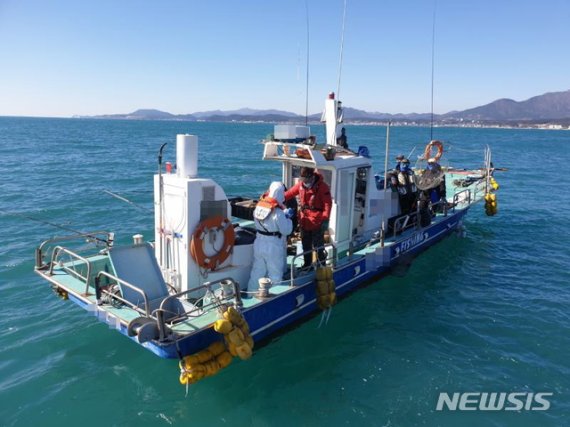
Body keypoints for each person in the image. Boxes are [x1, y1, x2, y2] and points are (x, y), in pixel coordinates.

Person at [247, 182, 293, 291]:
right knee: (275, 274)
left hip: (259, 243)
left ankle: (250, 293)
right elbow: (286, 230)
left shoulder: (258, 207)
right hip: (273, 245)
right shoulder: (278, 212)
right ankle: (273, 296)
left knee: (257, 271)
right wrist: (288, 218)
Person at [285, 167, 332, 269]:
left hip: (317, 222)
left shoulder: (322, 187)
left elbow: (327, 204)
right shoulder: (301, 185)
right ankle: (307, 264)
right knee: (305, 244)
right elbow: (288, 194)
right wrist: (272, 197)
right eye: (302, 179)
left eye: (305, 179)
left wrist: (325, 219)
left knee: (318, 245)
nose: (303, 181)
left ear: (311, 177)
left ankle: (321, 265)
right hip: (304, 221)